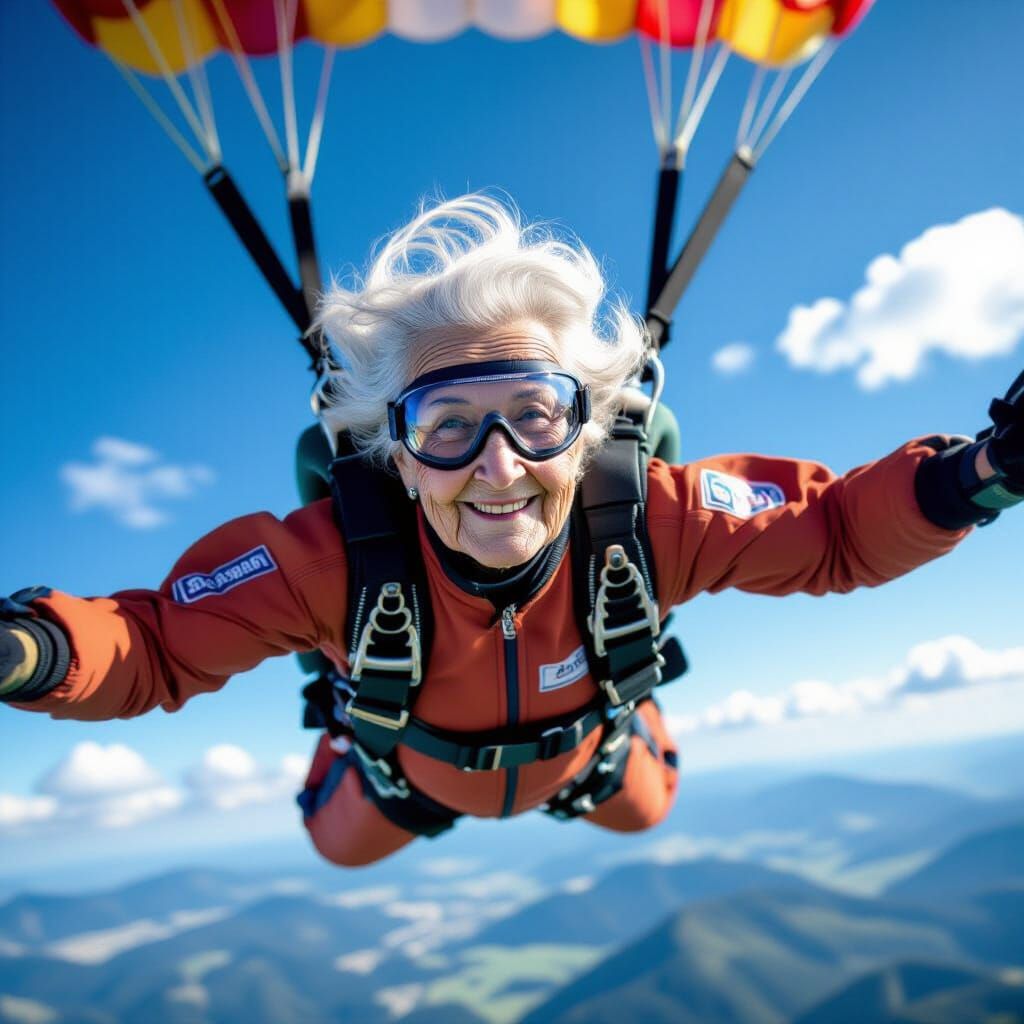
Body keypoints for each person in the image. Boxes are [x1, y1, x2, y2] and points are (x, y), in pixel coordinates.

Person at [1, 195, 1021, 869]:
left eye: (533, 415)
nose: (498, 466)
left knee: (647, 810)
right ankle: (352, 752)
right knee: (337, 846)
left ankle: (624, 730)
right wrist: (34, 650)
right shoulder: (330, 560)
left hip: (595, 755)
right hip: (400, 773)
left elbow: (836, 530)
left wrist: (984, 472)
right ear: (394, 456)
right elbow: (154, 644)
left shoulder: (648, 519)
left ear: (585, 431)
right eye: (445, 426)